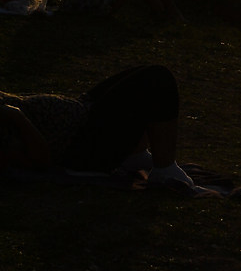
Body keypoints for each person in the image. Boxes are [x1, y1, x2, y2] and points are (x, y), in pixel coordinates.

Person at [0, 63, 220, 193]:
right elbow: (41, 161)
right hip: (82, 146)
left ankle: (132, 155)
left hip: (83, 118)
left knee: (139, 72)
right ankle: (164, 172)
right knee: (158, 78)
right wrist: (16, 115)